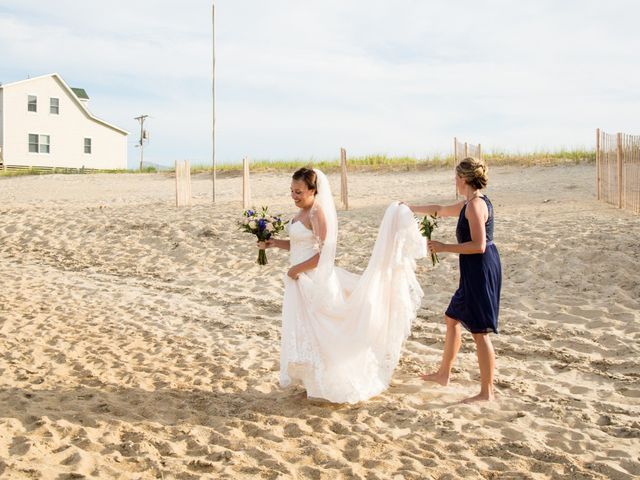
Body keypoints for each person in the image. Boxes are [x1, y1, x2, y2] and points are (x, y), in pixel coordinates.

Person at [258, 167, 426, 404]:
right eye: (291, 191)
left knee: (323, 331)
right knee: (307, 330)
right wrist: (275, 243)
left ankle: (328, 383)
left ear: (313, 190)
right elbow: (299, 245)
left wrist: (297, 269)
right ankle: (313, 382)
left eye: (298, 192)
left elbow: (325, 253)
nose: (294, 196)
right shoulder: (302, 213)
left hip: (313, 280)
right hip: (300, 279)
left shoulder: (317, 213)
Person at [407, 157, 502, 403]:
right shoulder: (469, 203)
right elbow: (440, 209)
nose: (454, 181)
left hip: (480, 268)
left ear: (463, 179)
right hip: (473, 268)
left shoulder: (474, 206)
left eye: (456, 177)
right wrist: (411, 208)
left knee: (480, 332)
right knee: (452, 318)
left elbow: (479, 246)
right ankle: (443, 374)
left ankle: (486, 392)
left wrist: (443, 247)